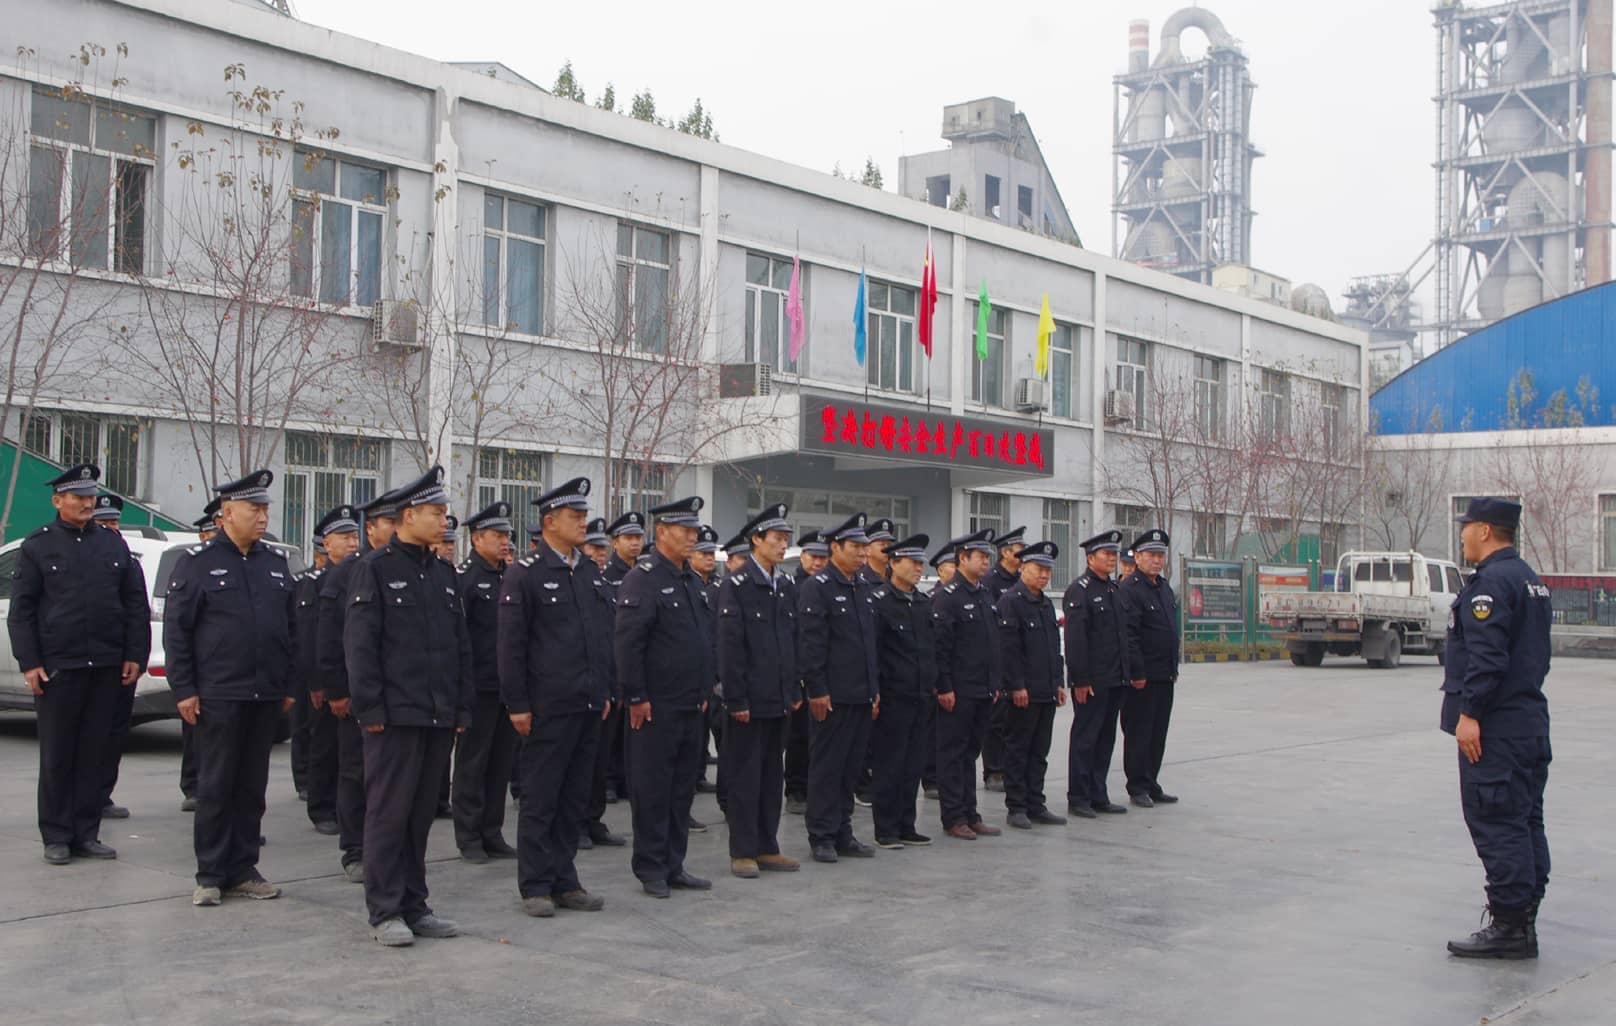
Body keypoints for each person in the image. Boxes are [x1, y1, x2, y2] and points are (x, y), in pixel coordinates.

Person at [345, 466, 473, 947]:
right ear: (408, 516)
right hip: (394, 716)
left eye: (444, 513)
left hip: (436, 713)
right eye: (435, 512)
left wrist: (460, 708)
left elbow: (460, 646)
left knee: (420, 816)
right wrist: (371, 710)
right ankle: (384, 910)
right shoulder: (375, 569)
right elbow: (361, 646)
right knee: (388, 814)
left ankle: (415, 904)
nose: (443, 521)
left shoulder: (443, 574)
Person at [164, 470, 296, 906]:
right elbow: (178, 633)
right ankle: (211, 873)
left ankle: (244, 868)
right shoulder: (197, 564)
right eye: (254, 509)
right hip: (219, 692)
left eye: (265, 510)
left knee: (251, 787)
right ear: (227, 513)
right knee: (216, 785)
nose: (263, 517)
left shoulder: (274, 563)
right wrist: (184, 689)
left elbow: (291, 630)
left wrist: (289, 682)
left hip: (265, 693)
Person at [7, 464, 149, 865]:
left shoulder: (113, 545)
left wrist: (135, 654)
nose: (88, 503)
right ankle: (56, 834)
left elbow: (134, 604)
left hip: (106, 664)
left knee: (94, 752)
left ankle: (86, 833)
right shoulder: (38, 546)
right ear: (58, 501)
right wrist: (30, 663)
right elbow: (22, 611)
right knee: (58, 754)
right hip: (60, 667)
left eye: (90, 496)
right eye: (79, 497)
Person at [498, 477, 614, 918]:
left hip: (587, 702)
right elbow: (511, 645)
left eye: (584, 515)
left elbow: (600, 636)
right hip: (547, 706)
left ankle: (565, 879)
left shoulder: (587, 571)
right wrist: (517, 703)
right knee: (541, 797)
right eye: (575, 516)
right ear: (550, 521)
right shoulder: (526, 573)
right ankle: (535, 883)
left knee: (573, 797)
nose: (583, 522)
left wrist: (604, 689)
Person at [1442, 498, 1553, 960]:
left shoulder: (1491, 584)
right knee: (1524, 822)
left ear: (1485, 530)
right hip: (1528, 724)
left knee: (1497, 821)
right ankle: (1522, 917)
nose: (1463, 534)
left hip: (1497, 730)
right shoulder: (1530, 580)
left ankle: (1510, 927)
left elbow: (1488, 659)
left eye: (1467, 526)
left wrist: (1471, 713)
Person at [615, 496, 714, 898]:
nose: (692, 537)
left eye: (694, 531)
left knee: (680, 791)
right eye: (685, 531)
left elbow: (701, 640)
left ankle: (675, 864)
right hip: (655, 706)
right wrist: (636, 695)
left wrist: (705, 689)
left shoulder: (690, 579)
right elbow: (629, 643)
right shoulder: (643, 578)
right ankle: (651, 867)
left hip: (690, 704)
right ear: (661, 533)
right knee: (653, 790)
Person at [317, 492, 401, 884]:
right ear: (372, 530)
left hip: (396, 695)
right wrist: (337, 690)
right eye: (389, 523)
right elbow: (331, 638)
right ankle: (355, 849)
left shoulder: (404, 568)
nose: (396, 529)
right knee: (356, 772)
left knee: (390, 778)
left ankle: (384, 850)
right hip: (356, 694)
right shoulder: (349, 571)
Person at [716, 504, 801, 879]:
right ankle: (743, 850)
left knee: (771, 776)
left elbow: (792, 641)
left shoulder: (785, 586)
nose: (783, 546)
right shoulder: (736, 585)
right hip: (747, 701)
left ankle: (768, 845)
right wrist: (736, 698)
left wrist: (794, 687)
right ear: (756, 540)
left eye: (786, 539)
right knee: (745, 777)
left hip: (778, 698)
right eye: (777, 539)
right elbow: (729, 646)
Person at [796, 513, 880, 863]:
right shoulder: (817, 587)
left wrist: (874, 690)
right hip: (831, 697)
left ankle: (843, 831)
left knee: (850, 769)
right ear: (835, 548)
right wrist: (817, 690)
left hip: (861, 695)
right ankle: (821, 835)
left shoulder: (861, 586)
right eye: (855, 547)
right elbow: (811, 644)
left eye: (864, 547)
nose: (863, 553)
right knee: (827, 768)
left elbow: (868, 644)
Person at [452, 501, 518, 863]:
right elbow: (458, 638)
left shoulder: (511, 576)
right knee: (472, 764)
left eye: (507, 534)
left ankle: (492, 832)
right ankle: (469, 836)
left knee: (500, 764)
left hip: (506, 687)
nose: (505, 541)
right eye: (497, 535)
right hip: (478, 687)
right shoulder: (465, 579)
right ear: (477, 539)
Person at [931, 529, 1003, 840]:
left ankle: (971, 814)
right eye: (980, 557)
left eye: (988, 557)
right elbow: (941, 647)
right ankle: (954, 817)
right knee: (952, 754)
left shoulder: (984, 594)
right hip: (958, 691)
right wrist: (944, 686)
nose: (986, 562)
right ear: (963, 559)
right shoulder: (948, 597)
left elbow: (992, 644)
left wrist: (995, 682)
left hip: (982, 688)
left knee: (970, 753)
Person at [868, 534, 935, 849]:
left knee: (913, 763)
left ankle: (907, 824)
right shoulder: (880, 602)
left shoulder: (922, 603)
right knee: (890, 763)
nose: (919, 568)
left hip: (920, 694)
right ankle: (886, 828)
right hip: (893, 696)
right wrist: (875, 692)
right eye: (913, 563)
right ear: (894, 564)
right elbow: (873, 652)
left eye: (921, 563)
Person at [995, 541, 1068, 830]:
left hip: (1046, 691)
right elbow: (1008, 649)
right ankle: (1017, 806)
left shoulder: (1046, 604)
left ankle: (1036, 803)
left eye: (1048, 570)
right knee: (1018, 750)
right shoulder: (1011, 601)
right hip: (1023, 692)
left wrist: (1058, 682)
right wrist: (1016, 685)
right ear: (1023, 568)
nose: (1044, 575)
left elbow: (1054, 648)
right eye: (1039, 569)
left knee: (1039, 752)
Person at [1063, 530, 1133, 819]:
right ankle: (1079, 797)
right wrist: (1080, 680)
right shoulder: (1079, 590)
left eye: (1114, 554)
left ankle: (1098, 794)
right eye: (1106, 554)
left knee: (1105, 738)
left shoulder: (1114, 589)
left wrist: (1126, 674)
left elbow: (1121, 637)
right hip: (1092, 681)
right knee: (1086, 738)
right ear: (1090, 558)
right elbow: (1076, 640)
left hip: (1115, 678)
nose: (1112, 559)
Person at [301, 505, 359, 835]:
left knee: (349, 751)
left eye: (354, 536)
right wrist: (316, 681)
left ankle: (342, 806)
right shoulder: (316, 581)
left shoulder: (360, 574)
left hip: (353, 676)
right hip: (324, 678)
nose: (352, 543)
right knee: (324, 744)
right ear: (327, 543)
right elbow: (311, 637)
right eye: (344, 537)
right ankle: (321, 807)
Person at [1119, 529, 1180, 809]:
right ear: (1138, 557)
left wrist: (1173, 667)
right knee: (1139, 732)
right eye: (1151, 555)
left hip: (1164, 673)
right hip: (1142, 677)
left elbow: (1169, 630)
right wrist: (1137, 672)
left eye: (1160, 556)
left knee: (1158, 732)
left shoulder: (1163, 588)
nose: (1157, 561)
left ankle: (1151, 781)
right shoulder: (1130, 589)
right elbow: (1129, 635)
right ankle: (1137, 786)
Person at [178, 496, 223, 811]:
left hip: (240, 678)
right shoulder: (194, 564)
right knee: (197, 738)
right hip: (204, 671)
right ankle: (194, 786)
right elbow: (180, 626)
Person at [90, 493, 132, 820]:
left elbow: (136, 608)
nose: (111, 528)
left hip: (118, 661)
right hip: (84, 662)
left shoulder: (124, 555)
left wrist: (136, 655)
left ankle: (102, 795)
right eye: (103, 522)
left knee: (113, 733)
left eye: (114, 522)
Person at [784, 529, 829, 815]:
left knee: (820, 737)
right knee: (798, 736)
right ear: (802, 556)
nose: (818, 562)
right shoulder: (792, 586)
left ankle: (815, 788)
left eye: (823, 557)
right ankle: (796, 790)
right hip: (799, 670)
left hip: (822, 672)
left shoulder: (827, 586)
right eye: (813, 556)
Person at [980, 527, 1025, 793]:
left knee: (1014, 720)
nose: (1023, 554)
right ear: (1005, 553)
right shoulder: (990, 581)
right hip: (997, 656)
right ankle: (993, 770)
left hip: (1017, 656)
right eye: (1019, 550)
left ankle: (1010, 768)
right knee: (996, 719)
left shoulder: (1020, 579)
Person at [691, 524, 723, 812]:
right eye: (704, 553)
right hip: (690, 674)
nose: (709, 558)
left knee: (706, 730)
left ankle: (699, 774)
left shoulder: (717, 588)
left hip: (712, 671)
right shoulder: (689, 585)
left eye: (712, 553)